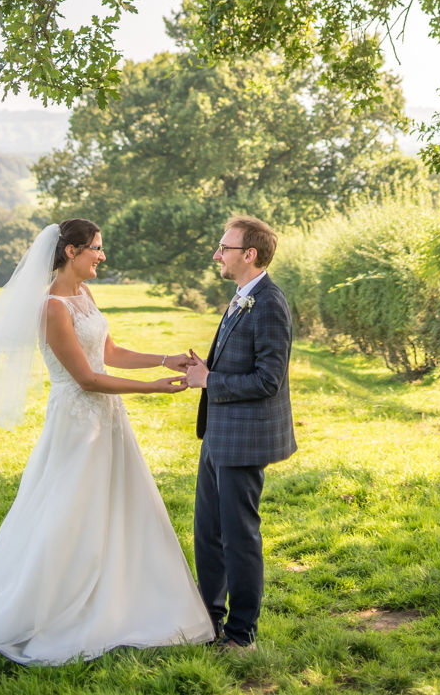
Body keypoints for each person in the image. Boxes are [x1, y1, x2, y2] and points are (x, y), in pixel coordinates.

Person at [0, 218, 214, 664]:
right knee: (73, 509)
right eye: (96, 248)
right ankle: (56, 602)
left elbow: (109, 353)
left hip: (108, 418)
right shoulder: (52, 308)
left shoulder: (85, 294)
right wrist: (153, 388)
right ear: (71, 251)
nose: (102, 256)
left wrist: (164, 359)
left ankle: (118, 597)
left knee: (118, 503)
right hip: (78, 420)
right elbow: (87, 378)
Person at [186, 215, 296, 650]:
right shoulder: (241, 297)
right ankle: (209, 620)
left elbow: (269, 380)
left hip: (244, 441)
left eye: (224, 248)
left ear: (249, 254)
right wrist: (206, 369)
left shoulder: (268, 303)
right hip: (218, 435)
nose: (217, 255)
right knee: (207, 535)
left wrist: (209, 380)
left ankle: (241, 633)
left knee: (239, 538)